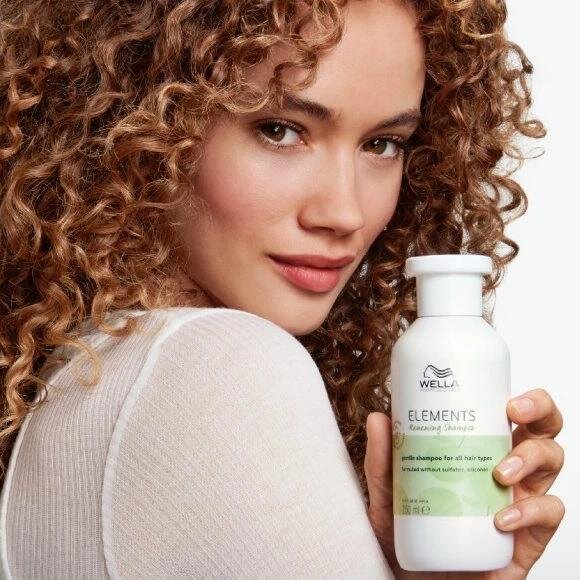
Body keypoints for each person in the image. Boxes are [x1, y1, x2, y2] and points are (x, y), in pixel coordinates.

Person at [0, 0, 565, 578]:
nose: (344, 213)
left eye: (383, 144)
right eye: (279, 130)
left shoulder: (96, 367)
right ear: (147, 123)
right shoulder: (218, 363)